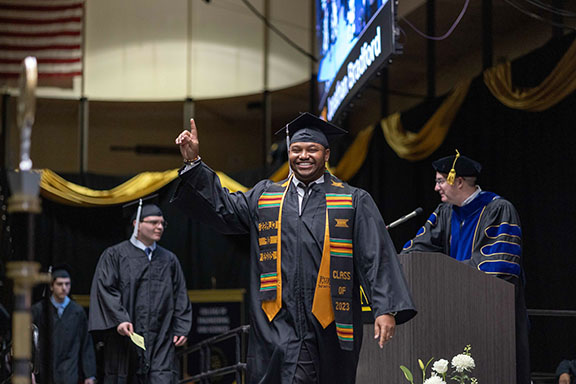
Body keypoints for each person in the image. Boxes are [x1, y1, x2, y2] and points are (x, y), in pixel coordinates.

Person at [172, 113, 417, 384]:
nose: (303, 155)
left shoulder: (351, 200)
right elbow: (224, 208)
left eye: (312, 149)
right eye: (296, 150)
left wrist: (385, 308)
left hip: (330, 322)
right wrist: (194, 163)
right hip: (278, 321)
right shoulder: (266, 197)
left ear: (326, 154)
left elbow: (375, 254)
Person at [401, 151, 530, 384]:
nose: (436, 188)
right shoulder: (445, 212)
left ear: (458, 181)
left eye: (440, 181)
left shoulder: (498, 209)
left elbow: (498, 269)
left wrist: (444, 275)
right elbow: (415, 253)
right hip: (452, 313)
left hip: (491, 317)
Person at [88, 204, 192, 383]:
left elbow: (180, 296)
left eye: (162, 223)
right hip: (126, 339)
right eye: (153, 222)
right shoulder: (115, 255)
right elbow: (105, 289)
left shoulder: (169, 260)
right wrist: (120, 319)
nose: (159, 227)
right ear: (137, 224)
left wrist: (182, 328)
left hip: (161, 339)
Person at [31, 267, 96, 384]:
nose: (64, 288)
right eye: (60, 284)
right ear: (51, 286)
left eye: (67, 284)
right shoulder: (40, 310)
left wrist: (89, 374)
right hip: (45, 369)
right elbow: (31, 342)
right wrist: (30, 371)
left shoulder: (77, 312)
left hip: (69, 370)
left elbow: (86, 344)